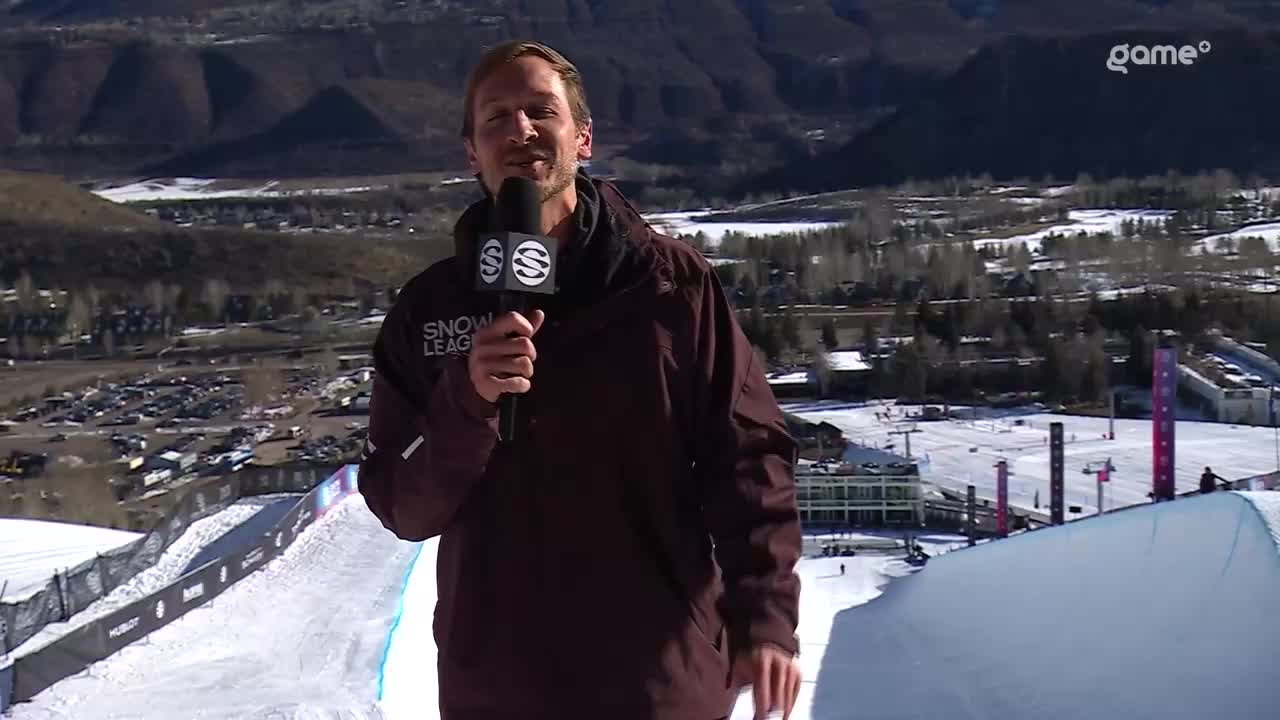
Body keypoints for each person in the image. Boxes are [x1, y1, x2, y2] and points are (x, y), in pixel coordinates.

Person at [357, 40, 802, 720]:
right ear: (471, 152)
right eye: (497, 118)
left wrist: (765, 616)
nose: (521, 130)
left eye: (542, 110)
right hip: (500, 691)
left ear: (583, 136)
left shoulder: (670, 289)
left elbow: (746, 459)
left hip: (659, 682)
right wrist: (466, 403)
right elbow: (402, 504)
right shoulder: (430, 313)